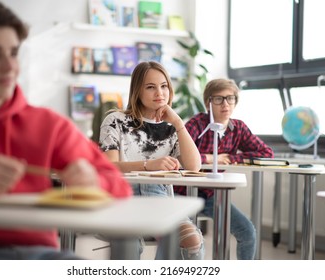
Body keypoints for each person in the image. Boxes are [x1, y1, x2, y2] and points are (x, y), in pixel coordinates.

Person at [0, 0, 132, 260]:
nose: (9, 66)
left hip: (40, 255)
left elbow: (119, 186)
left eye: (13, 53)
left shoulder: (48, 125)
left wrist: (94, 182)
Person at [99, 61, 205, 260]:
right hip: (123, 197)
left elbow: (194, 166)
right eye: (150, 87)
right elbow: (108, 167)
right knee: (128, 244)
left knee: (191, 240)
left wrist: (178, 122)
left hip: (159, 197)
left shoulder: (171, 126)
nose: (160, 93)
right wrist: (148, 165)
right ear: (137, 91)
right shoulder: (115, 120)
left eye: (164, 86)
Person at [174, 78, 274, 260]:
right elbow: (177, 156)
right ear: (208, 103)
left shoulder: (238, 128)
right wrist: (211, 158)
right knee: (184, 240)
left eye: (230, 98)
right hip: (182, 194)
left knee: (248, 232)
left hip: (212, 196)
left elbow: (266, 153)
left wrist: (232, 158)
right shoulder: (197, 123)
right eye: (218, 99)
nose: (225, 104)